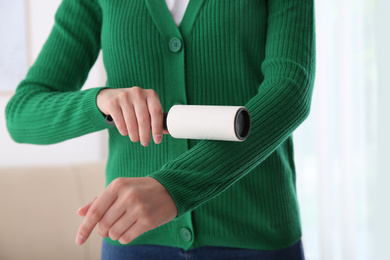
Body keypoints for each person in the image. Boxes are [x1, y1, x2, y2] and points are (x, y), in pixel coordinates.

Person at [5, 0, 315, 259]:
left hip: (255, 234)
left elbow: (289, 92)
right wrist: (101, 103)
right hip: (133, 239)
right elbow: (22, 113)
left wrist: (175, 187)